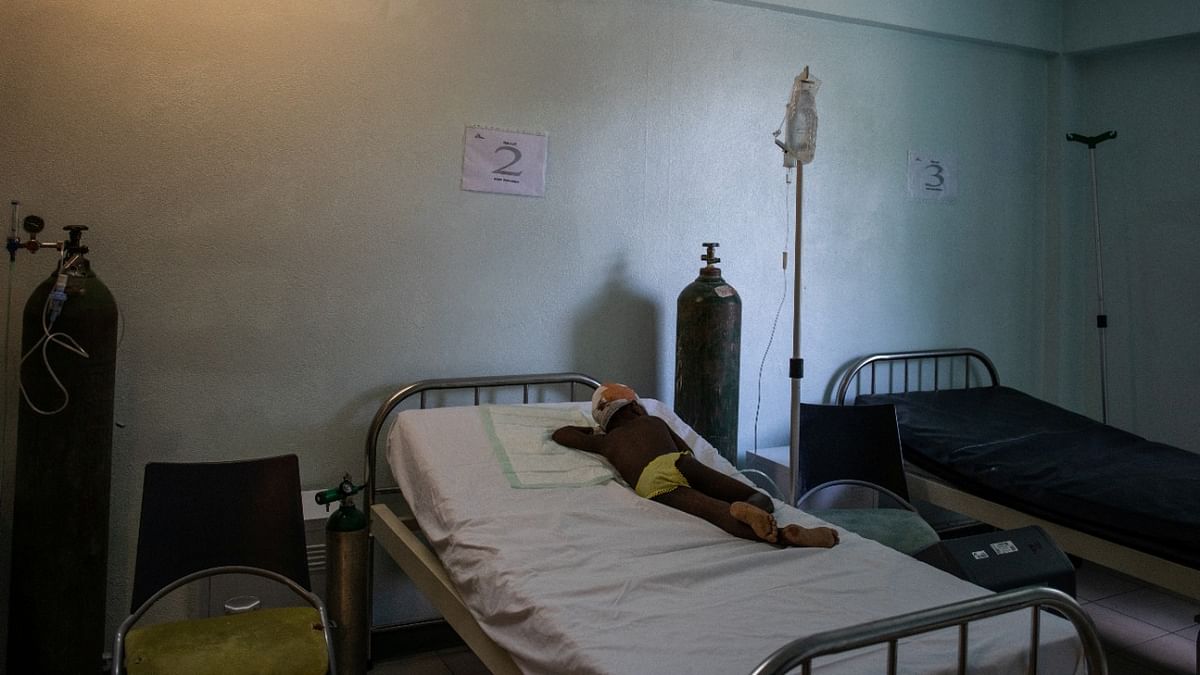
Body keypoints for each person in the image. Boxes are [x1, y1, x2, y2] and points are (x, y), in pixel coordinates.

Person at [552, 383, 838, 548]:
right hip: (681, 463)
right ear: (637, 407)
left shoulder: (607, 442)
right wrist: (700, 473)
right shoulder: (653, 421)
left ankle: (782, 536)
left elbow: (562, 434)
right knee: (758, 496)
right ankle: (754, 506)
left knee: (712, 511)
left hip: (653, 482)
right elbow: (685, 449)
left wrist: (596, 431)